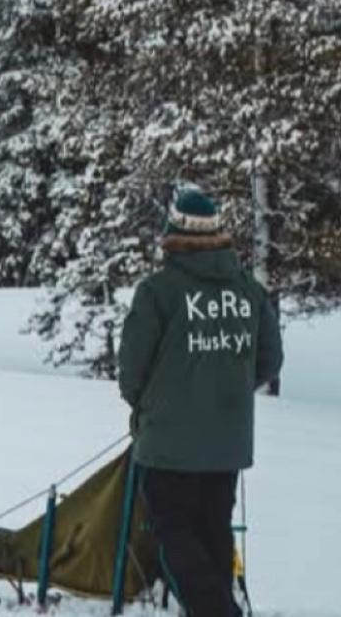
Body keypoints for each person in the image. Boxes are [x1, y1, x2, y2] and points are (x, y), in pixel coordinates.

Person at [118, 185, 282, 617]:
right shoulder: (248, 290)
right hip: (226, 442)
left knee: (174, 530)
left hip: (169, 443)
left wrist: (151, 405)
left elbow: (132, 369)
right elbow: (270, 359)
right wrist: (224, 390)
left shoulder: (158, 291)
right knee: (214, 530)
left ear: (173, 232)